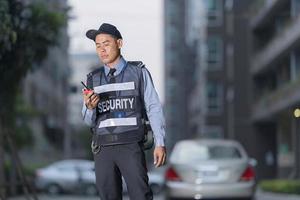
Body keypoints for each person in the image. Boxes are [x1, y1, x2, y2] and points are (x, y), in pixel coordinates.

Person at [81, 23, 166, 200]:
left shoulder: (139, 72)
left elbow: (153, 107)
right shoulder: (92, 79)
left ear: (119, 43)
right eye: (98, 45)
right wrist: (90, 108)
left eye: (106, 44)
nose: (102, 50)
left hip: (131, 145)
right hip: (102, 148)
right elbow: (88, 121)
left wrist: (160, 142)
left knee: (141, 195)